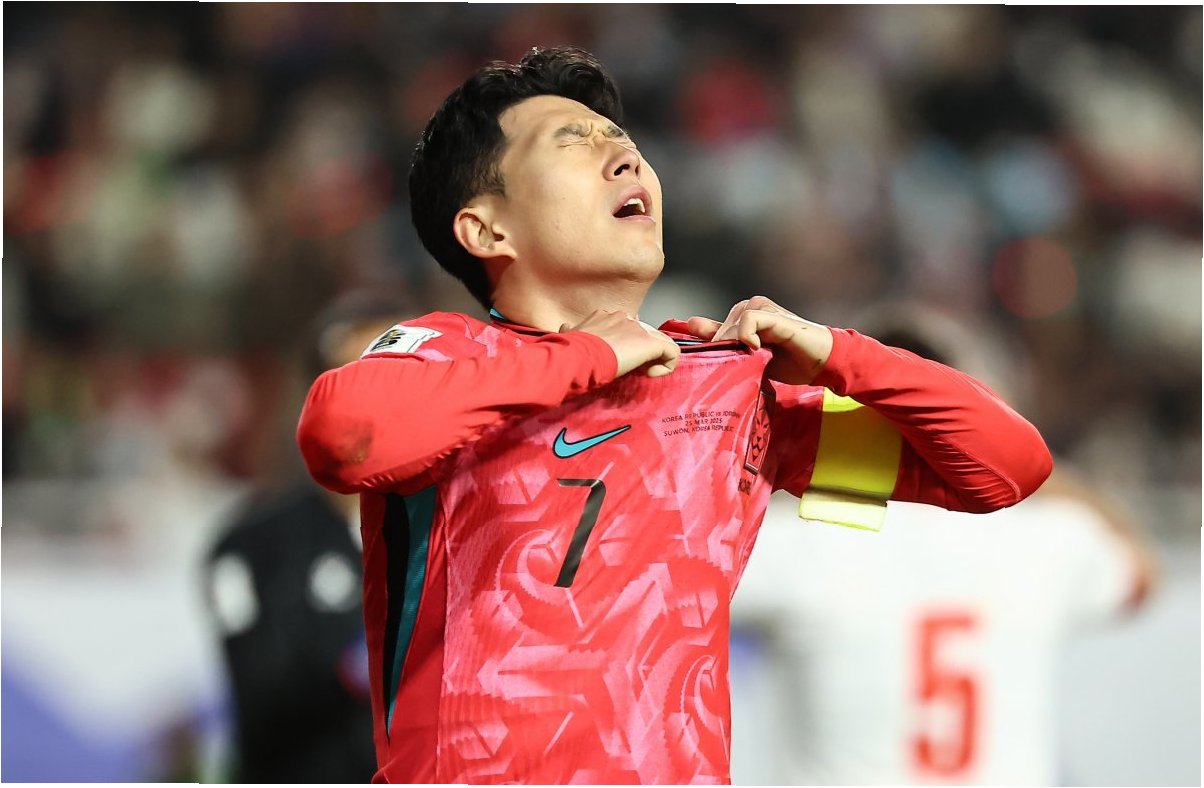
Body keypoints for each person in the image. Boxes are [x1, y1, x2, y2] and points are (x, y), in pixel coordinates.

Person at [296, 46, 1053, 784]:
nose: (624, 158)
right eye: (572, 141)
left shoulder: (729, 393)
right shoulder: (447, 355)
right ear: (487, 230)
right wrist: (590, 355)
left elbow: (1004, 468)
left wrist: (836, 353)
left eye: (621, 141)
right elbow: (341, 436)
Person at [728, 312, 1156, 786]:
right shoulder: (1044, 537)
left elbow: (678, 583)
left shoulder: (795, 541)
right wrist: (1019, 453)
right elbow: (1138, 575)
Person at [205, 290, 416, 783]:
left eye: (404, 378)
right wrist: (361, 660)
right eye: (359, 379)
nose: (383, 401)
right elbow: (261, 704)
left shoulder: (476, 528)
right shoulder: (252, 550)